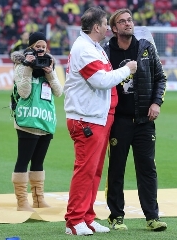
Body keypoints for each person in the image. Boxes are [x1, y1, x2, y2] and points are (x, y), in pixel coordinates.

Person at [63, 7, 137, 236]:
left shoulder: (93, 47)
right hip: (87, 119)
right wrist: (127, 69)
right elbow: (101, 81)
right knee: (85, 171)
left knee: (94, 172)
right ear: (96, 27)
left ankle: (87, 217)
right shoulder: (84, 49)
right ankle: (74, 221)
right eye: (106, 24)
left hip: (97, 117)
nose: (108, 28)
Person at [103, 8, 167, 232]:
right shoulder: (105, 51)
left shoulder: (145, 48)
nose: (128, 24)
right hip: (118, 120)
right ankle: (116, 216)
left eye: (129, 20)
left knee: (147, 169)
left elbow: (160, 78)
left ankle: (152, 217)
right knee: (116, 168)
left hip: (144, 120)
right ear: (114, 28)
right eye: (122, 21)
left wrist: (156, 103)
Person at [10, 31, 63, 212]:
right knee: (23, 160)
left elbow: (58, 92)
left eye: (43, 47)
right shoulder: (21, 66)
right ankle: (22, 202)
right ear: (30, 47)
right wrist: (28, 66)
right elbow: (24, 92)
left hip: (46, 120)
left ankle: (39, 199)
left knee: (39, 161)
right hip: (28, 120)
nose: (41, 50)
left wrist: (50, 73)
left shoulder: (49, 64)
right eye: (37, 46)